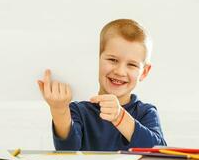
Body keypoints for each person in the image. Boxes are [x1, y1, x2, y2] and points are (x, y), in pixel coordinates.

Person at [38, 19, 166, 151]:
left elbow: (159, 152)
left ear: (144, 72)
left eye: (132, 65)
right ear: (97, 60)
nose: (120, 71)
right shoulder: (79, 111)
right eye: (112, 60)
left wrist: (120, 117)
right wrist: (59, 110)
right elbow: (67, 151)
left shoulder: (146, 112)